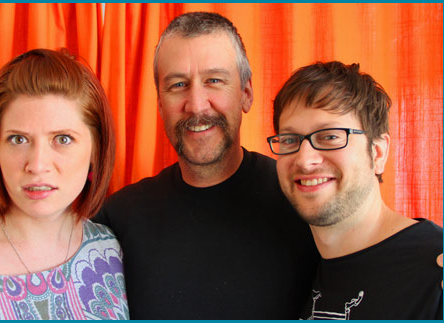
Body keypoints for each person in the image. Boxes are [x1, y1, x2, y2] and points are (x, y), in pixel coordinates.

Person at [94, 12, 319, 319]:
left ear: (246, 93)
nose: (196, 105)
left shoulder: (303, 201)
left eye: (214, 81)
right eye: (177, 85)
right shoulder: (117, 219)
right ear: (160, 104)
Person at [0, 49, 129, 320]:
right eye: (18, 140)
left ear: (96, 151)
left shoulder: (113, 249)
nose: (37, 164)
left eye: (63, 139)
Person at [269, 61, 443, 319]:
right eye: (290, 140)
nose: (305, 160)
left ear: (378, 152)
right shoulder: (292, 265)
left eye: (330, 136)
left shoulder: (436, 271)